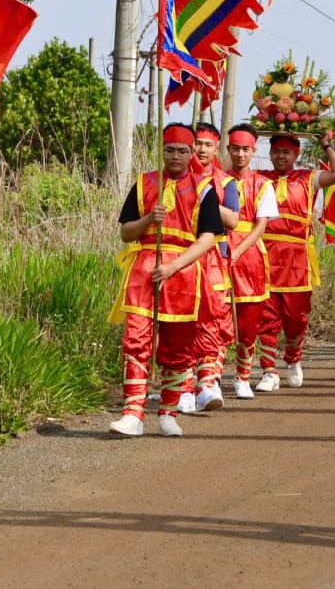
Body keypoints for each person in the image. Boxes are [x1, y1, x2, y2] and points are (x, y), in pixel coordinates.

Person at [109, 123, 223, 437]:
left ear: (191, 153)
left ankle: (168, 411)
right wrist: (149, 219)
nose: (176, 156)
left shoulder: (205, 188)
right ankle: (132, 413)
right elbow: (125, 233)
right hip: (144, 270)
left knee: (178, 348)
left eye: (182, 151)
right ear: (163, 151)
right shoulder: (144, 183)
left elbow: (208, 239)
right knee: (136, 341)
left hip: (184, 273)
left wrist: (173, 268)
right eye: (170, 150)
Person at [256, 131, 335, 392]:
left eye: (286, 152)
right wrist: (248, 140)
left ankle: (293, 359)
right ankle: (268, 370)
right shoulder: (258, 178)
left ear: (296, 155)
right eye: (276, 151)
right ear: (269, 154)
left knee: (296, 317)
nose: (281, 156)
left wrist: (325, 144)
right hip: (265, 252)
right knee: (267, 316)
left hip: (297, 256)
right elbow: (224, 172)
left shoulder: (308, 178)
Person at [182, 122, 240, 414]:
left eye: (207, 144)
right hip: (182, 255)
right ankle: (182, 385)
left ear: (216, 148)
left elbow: (232, 220)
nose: (201, 149)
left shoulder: (225, 183)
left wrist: (203, 194)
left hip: (215, 257)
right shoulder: (176, 179)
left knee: (212, 323)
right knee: (181, 324)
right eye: (197, 143)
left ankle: (208, 382)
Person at [224, 124, 277, 401]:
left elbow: (261, 226)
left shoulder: (263, 184)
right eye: (235, 148)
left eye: (246, 149)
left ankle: (242, 375)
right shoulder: (217, 180)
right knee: (217, 319)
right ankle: (207, 377)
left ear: (254, 151)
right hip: (218, 250)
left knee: (248, 322)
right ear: (228, 149)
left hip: (251, 257)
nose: (240, 154)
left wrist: (238, 250)